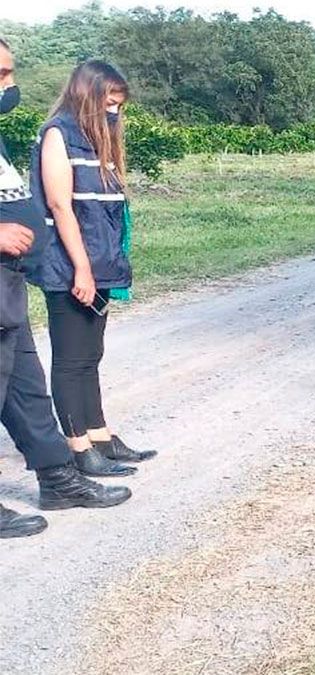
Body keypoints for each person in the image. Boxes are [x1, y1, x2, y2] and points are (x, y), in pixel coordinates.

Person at [0, 38, 131, 538]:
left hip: (10, 283)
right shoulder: (58, 133)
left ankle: (58, 479)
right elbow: (58, 204)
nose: (11, 85)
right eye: (2, 73)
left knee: (27, 390)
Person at [28, 60, 157, 476]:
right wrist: (81, 269)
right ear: (87, 96)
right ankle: (78, 448)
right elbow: (60, 205)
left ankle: (100, 435)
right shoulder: (57, 135)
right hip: (69, 267)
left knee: (91, 354)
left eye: (119, 105)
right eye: (109, 102)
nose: (115, 112)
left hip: (100, 266)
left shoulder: (94, 139)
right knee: (70, 358)